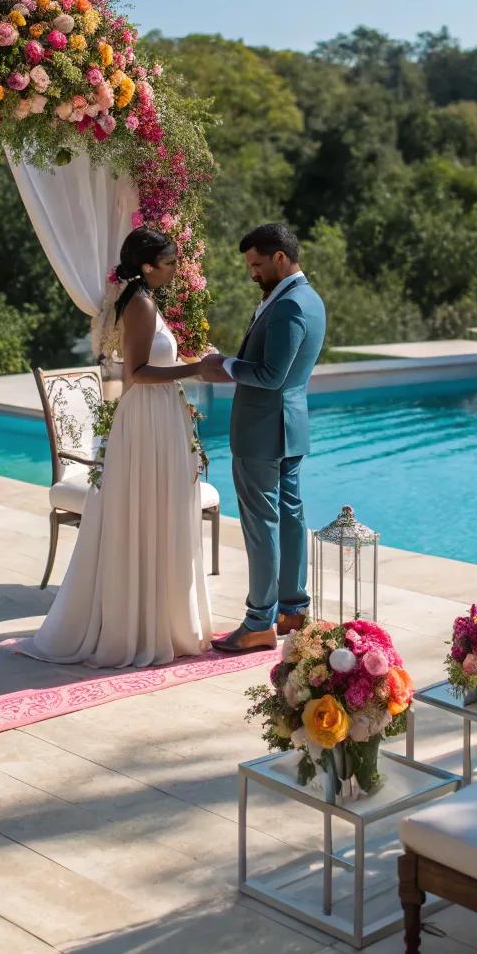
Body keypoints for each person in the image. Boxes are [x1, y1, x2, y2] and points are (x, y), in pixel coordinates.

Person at [20, 227, 213, 669]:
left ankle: (157, 618)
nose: (175, 269)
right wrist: (196, 369)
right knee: (148, 510)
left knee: (157, 511)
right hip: (147, 416)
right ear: (148, 265)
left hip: (157, 416)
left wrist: (186, 365)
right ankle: (140, 625)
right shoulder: (141, 302)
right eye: (169, 262)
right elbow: (137, 373)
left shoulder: (142, 297)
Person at [203, 223, 326, 653]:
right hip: (289, 427)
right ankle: (293, 609)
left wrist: (224, 365)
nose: (251, 273)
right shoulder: (307, 299)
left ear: (280, 258)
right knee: (290, 518)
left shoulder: (290, 305)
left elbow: (271, 376)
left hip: (263, 431)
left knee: (262, 524)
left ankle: (258, 622)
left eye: (256, 264)